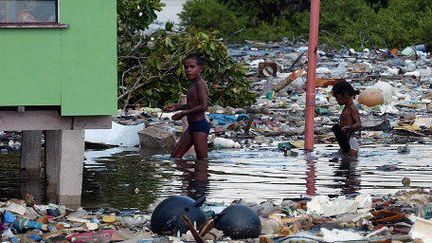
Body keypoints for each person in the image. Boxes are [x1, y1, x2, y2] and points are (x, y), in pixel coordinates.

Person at [163, 54, 210, 161]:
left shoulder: (200, 84)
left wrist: (183, 113)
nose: (188, 70)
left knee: (202, 160)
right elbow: (191, 105)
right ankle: (189, 177)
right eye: (186, 67)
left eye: (192, 67)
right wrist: (175, 107)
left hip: (199, 126)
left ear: (200, 68)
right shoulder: (193, 84)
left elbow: (204, 106)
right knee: (175, 157)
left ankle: (199, 177)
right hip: (192, 127)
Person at [331, 81, 362, 161]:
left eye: (337, 97)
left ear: (345, 95)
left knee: (349, 169)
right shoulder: (346, 108)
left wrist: (350, 128)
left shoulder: (352, 108)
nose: (337, 100)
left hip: (350, 144)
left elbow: (359, 124)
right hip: (345, 143)